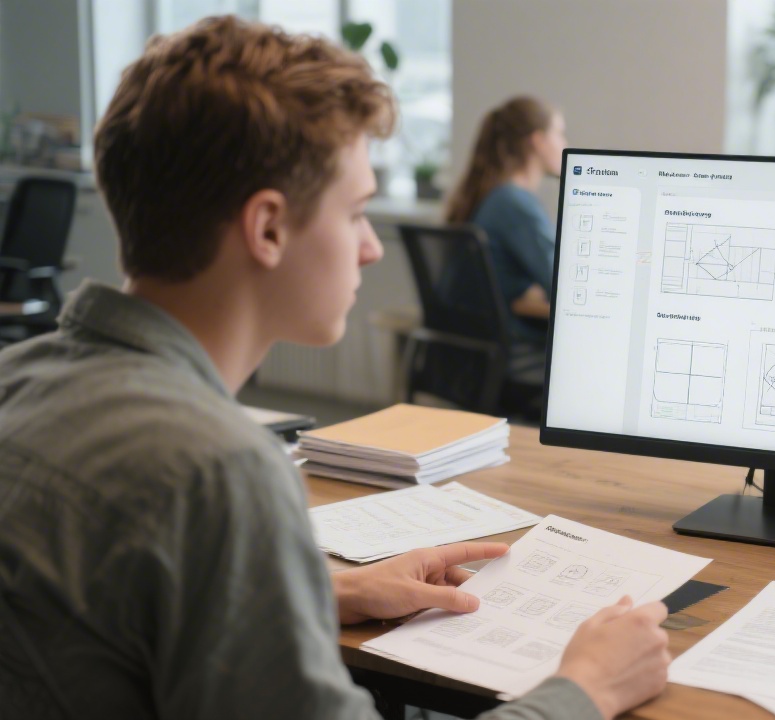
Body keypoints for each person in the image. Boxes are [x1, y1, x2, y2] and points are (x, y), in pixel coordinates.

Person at [0, 17, 670, 719]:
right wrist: (585, 689)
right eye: (355, 213)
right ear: (267, 229)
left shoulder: (20, 378)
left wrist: (322, 592)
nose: (372, 248)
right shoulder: (217, 474)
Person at [444, 96, 567, 385]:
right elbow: (562, 283)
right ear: (538, 141)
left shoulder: (494, 196)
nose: (564, 143)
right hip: (517, 354)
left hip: (477, 355)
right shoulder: (514, 203)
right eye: (559, 133)